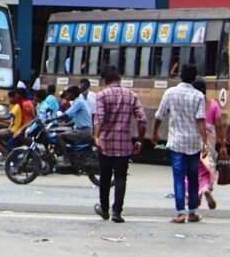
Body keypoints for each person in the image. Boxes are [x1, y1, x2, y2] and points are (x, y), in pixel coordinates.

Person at [151, 64, 207, 224]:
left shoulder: (170, 93)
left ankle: (180, 213)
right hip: (193, 143)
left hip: (176, 143)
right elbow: (201, 120)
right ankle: (192, 213)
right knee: (193, 178)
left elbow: (159, 115)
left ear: (180, 76)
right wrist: (204, 142)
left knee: (179, 177)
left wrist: (155, 133)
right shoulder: (199, 96)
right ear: (194, 78)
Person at [92, 66, 147, 223]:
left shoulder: (101, 95)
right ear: (119, 78)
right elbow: (142, 120)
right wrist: (140, 141)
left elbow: (99, 117)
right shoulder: (131, 95)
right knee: (121, 178)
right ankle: (117, 211)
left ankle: (104, 209)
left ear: (105, 80)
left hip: (105, 144)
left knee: (105, 177)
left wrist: (96, 136)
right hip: (124, 145)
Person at [192, 79, 223, 210]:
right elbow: (219, 126)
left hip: (194, 141)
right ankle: (205, 189)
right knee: (206, 171)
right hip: (209, 143)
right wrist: (223, 145)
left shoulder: (192, 105)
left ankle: (198, 194)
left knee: (193, 170)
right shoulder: (214, 105)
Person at [55, 85, 93, 165]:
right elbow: (75, 120)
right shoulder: (77, 102)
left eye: (68, 94)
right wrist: (65, 124)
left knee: (59, 136)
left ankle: (66, 159)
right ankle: (71, 156)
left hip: (84, 131)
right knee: (64, 132)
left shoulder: (78, 102)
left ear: (72, 94)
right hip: (83, 130)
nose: (66, 96)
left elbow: (67, 114)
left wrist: (51, 119)